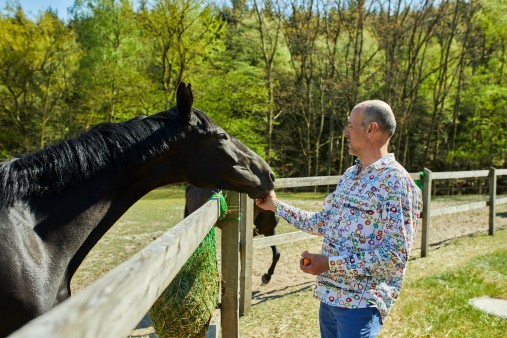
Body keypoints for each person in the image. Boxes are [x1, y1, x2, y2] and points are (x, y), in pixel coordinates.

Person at [256, 100, 422, 338]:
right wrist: (275, 206)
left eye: (350, 126)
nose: (345, 132)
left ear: (371, 129)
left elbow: (394, 257)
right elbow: (321, 222)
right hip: (330, 299)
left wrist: (329, 263)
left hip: (361, 305)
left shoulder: (396, 183)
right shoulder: (350, 175)